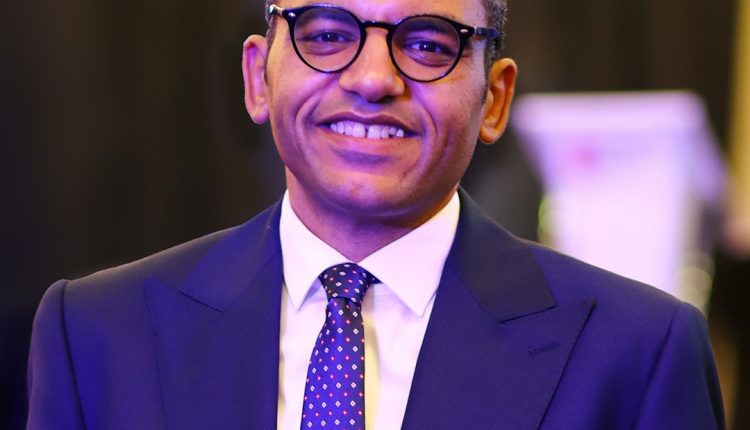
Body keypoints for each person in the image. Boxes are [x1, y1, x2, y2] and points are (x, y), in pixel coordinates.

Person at [26, 0, 724, 428]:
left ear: (494, 101)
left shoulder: (640, 354)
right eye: (327, 34)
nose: (371, 79)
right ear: (257, 77)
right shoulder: (95, 335)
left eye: (427, 44)